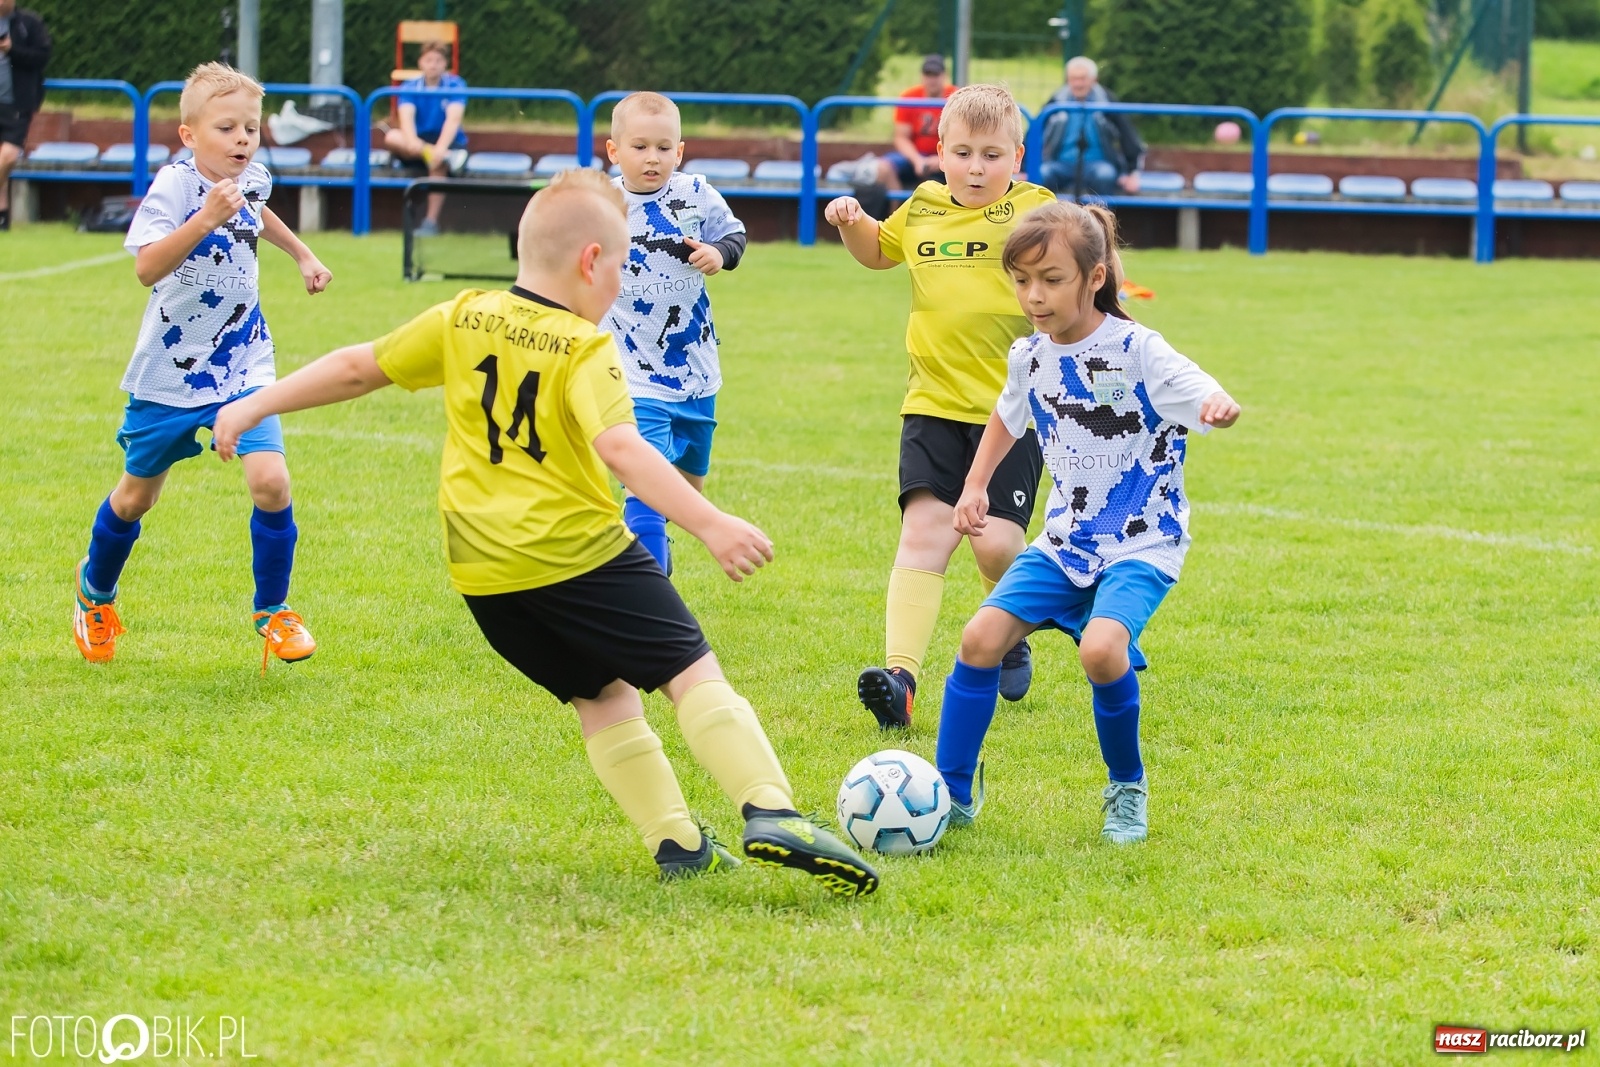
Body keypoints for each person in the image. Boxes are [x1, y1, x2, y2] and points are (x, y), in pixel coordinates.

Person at [210, 168, 881, 895]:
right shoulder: (585, 349)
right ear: (591, 261)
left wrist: (251, 407)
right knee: (691, 671)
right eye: (622, 266)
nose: (623, 284)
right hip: (579, 555)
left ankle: (678, 843)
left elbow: (354, 368)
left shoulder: (463, 316)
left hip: (485, 579)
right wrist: (711, 522)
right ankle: (772, 808)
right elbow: (623, 448)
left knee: (603, 696)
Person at [936, 201, 1240, 843]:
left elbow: (1195, 383)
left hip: (1142, 541)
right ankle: (950, 794)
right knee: (978, 640)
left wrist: (1214, 402)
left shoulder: (1136, 349)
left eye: (1051, 279)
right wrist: (975, 485)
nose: (1034, 296)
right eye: (1021, 280)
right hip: (1065, 540)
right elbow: (1007, 416)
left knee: (1103, 653)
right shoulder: (1030, 355)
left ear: (1094, 277)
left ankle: (1127, 788)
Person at [71, 63, 332, 669]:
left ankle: (273, 610)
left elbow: (258, 211)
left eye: (251, 127)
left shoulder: (252, 177)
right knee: (136, 499)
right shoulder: (174, 187)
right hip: (170, 370)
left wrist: (302, 253)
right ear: (190, 136)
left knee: (271, 481)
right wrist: (204, 219)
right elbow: (146, 269)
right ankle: (95, 595)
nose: (244, 139)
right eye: (228, 128)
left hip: (244, 360)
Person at [825, 84, 1056, 730]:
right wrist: (853, 224)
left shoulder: (1038, 211)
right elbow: (878, 252)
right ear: (939, 152)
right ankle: (901, 679)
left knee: (995, 545)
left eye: (992, 154)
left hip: (1010, 414)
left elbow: (1076, 268)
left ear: (1018, 157)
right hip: (929, 403)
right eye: (963, 153)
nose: (977, 168)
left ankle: (1007, 629)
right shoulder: (923, 207)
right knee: (925, 532)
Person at [602, 91, 747, 575]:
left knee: (685, 492)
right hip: (629, 368)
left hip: (694, 367)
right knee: (646, 483)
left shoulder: (696, 194)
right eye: (640, 147)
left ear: (679, 152)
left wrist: (719, 254)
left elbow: (735, 236)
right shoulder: (601, 201)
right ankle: (648, 589)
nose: (652, 158)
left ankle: (641, 544)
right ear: (613, 151)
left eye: (664, 148)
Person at [384, 40, 468, 236]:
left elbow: (453, 120)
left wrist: (439, 149)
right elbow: (406, 118)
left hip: (445, 141)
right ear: (420, 62)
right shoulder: (409, 86)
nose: (433, 64)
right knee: (392, 137)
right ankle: (446, 156)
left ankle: (430, 223)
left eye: (438, 60)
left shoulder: (455, 85)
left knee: (436, 162)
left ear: (445, 64)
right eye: (429, 60)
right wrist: (414, 142)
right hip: (417, 142)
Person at [1038, 57, 1145, 199]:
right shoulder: (1057, 101)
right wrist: (1024, 166)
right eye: (1073, 79)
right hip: (1061, 164)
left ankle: (1101, 219)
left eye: (1082, 79)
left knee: (1104, 175)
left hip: (1098, 164)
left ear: (1094, 80)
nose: (1078, 84)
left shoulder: (1107, 101)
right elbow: (1035, 131)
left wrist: (1132, 173)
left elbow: (1127, 134)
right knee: (1042, 174)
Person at [0, 0, 51, 231]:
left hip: (18, 103)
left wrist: (11, 50)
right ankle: (2, 216)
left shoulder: (27, 23)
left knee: (8, 157)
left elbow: (41, 56)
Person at [875, 54, 956, 192]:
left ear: (944, 75)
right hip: (916, 154)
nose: (932, 79)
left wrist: (943, 158)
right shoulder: (908, 97)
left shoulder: (957, 98)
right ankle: (896, 211)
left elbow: (963, 139)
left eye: (936, 74)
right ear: (922, 76)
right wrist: (917, 160)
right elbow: (901, 137)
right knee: (882, 168)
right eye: (928, 74)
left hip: (947, 154)